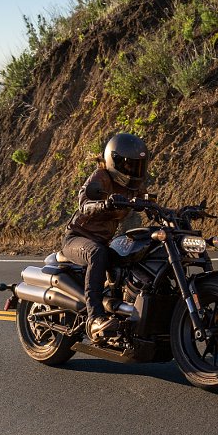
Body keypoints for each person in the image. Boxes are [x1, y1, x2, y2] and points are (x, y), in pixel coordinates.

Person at [62, 133, 149, 340]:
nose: (132, 171)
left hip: (103, 240)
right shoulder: (101, 177)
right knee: (97, 253)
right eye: (128, 165)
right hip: (77, 238)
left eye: (137, 165)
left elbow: (148, 202)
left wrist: (175, 213)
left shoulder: (134, 186)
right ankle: (95, 318)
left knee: (136, 254)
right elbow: (84, 204)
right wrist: (104, 203)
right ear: (114, 161)